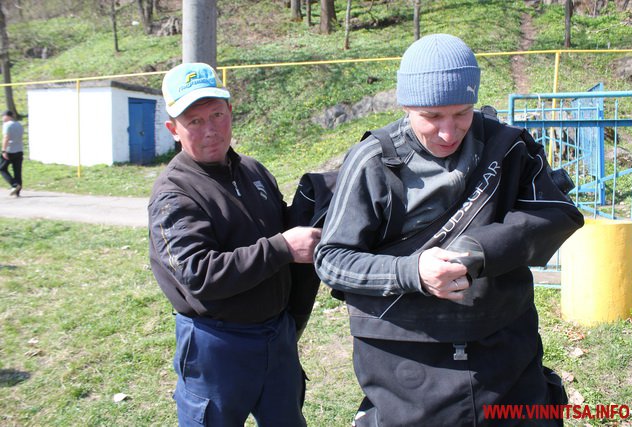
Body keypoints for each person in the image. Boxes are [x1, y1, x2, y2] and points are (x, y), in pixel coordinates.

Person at [314, 34, 584, 426]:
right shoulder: (374, 162)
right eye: (432, 116)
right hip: (407, 363)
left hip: (505, 352)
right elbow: (332, 260)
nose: (448, 131)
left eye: (462, 113)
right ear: (406, 106)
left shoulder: (507, 147)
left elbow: (557, 213)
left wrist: (479, 250)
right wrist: (414, 272)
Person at [148, 62, 321, 427]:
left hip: (277, 336)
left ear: (230, 113)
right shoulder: (174, 193)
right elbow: (199, 274)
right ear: (173, 130)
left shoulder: (254, 170)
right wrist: (282, 248)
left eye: (217, 115)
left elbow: (281, 226)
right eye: (194, 121)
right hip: (217, 344)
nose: (211, 130)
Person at [0, 110, 24, 197]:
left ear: (7, 116)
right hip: (19, 150)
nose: (2, 118)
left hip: (10, 150)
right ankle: (17, 192)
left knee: (2, 168)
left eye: (3, 116)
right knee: (17, 171)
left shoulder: (7, 125)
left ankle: (14, 185)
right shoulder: (19, 125)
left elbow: (6, 137)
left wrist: (3, 150)